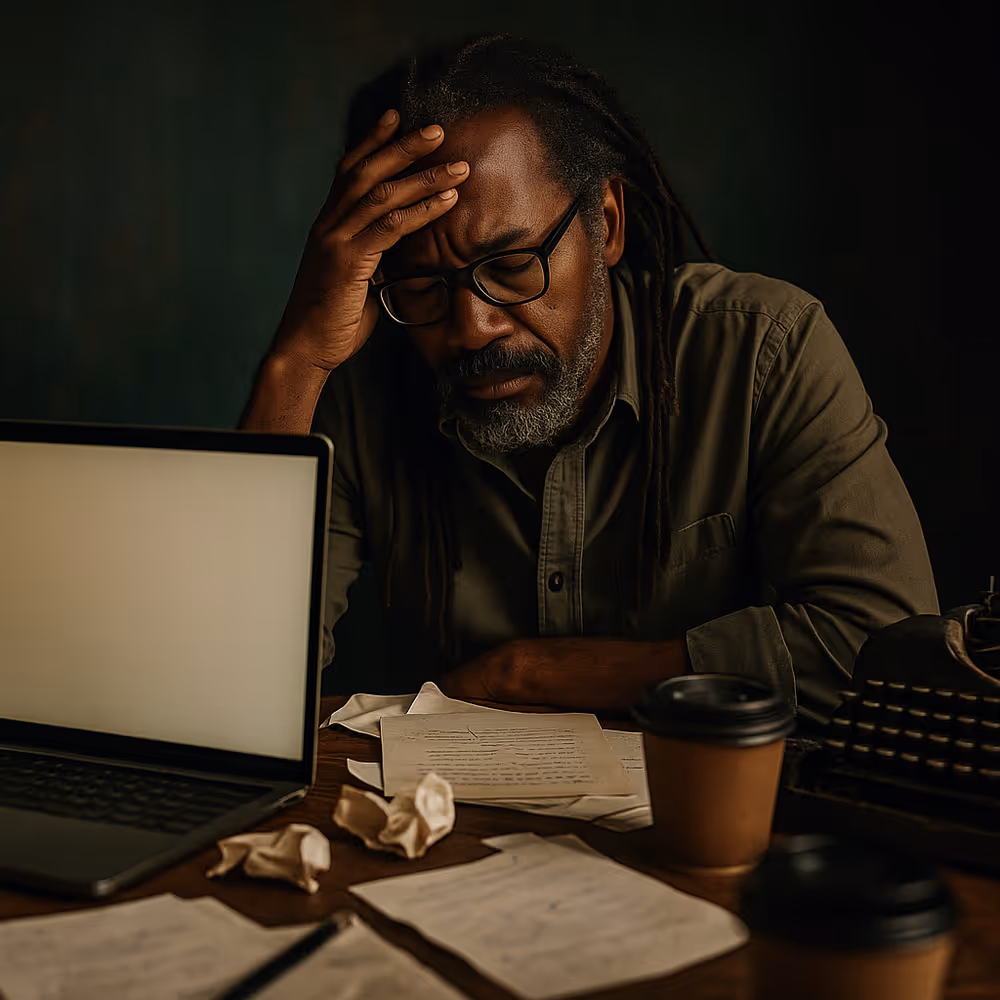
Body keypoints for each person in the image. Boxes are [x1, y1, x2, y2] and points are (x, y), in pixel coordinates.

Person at [240, 32, 938, 725]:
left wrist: (531, 673)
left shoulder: (763, 351)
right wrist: (296, 361)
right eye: (422, 285)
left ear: (605, 225)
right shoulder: (362, 391)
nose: (472, 327)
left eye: (512, 266)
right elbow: (239, 681)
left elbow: (887, 651)